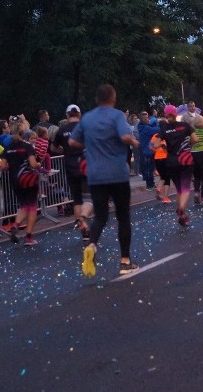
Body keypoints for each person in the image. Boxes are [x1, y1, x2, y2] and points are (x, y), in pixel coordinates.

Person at [70, 84, 141, 277]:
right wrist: (134, 142)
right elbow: (125, 135)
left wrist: (91, 142)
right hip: (117, 172)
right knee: (123, 216)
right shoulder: (117, 115)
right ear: (113, 97)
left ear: (96, 99)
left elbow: (72, 142)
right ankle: (125, 261)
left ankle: (91, 245)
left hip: (95, 175)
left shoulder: (87, 118)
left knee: (100, 216)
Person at [52, 104, 93, 239]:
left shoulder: (61, 130)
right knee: (89, 197)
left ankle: (83, 229)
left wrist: (65, 151)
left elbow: (53, 147)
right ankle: (84, 220)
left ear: (67, 115)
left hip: (70, 166)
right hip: (85, 164)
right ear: (79, 114)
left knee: (77, 199)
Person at [153, 105, 198, 226]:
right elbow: (195, 139)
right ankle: (182, 208)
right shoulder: (185, 126)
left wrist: (164, 143)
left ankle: (182, 216)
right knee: (185, 188)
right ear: (175, 113)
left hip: (171, 161)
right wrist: (187, 143)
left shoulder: (164, 129)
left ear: (166, 115)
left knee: (179, 189)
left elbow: (156, 145)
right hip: (185, 159)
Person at [1, 119, 41, 246]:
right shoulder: (27, 147)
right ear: (24, 133)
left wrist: (12, 166)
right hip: (29, 179)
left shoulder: (7, 147)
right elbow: (33, 164)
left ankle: (16, 224)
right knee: (32, 207)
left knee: (23, 206)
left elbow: (3, 166)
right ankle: (28, 236)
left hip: (15, 179)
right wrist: (39, 164)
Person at [136, 111, 159, 191]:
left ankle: (151, 184)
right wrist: (159, 123)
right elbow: (156, 130)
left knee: (148, 168)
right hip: (148, 151)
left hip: (145, 150)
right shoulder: (146, 128)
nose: (148, 119)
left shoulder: (141, 126)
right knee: (149, 169)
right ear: (143, 120)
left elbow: (151, 125)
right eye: (146, 118)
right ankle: (150, 185)